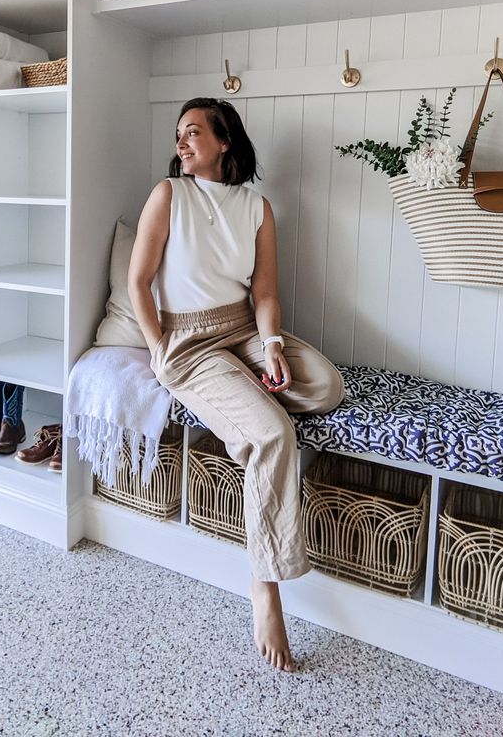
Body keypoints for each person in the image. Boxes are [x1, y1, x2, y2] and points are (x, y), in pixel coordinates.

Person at [128, 97, 344, 673]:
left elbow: (266, 293)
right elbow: (139, 282)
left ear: (225, 141)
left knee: (325, 386)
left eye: (194, 131)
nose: (182, 141)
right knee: (273, 434)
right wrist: (157, 349)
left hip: (243, 327)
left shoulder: (257, 206)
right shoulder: (168, 195)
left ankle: (244, 384)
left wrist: (271, 345)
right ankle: (265, 583)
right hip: (190, 342)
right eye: (179, 133)